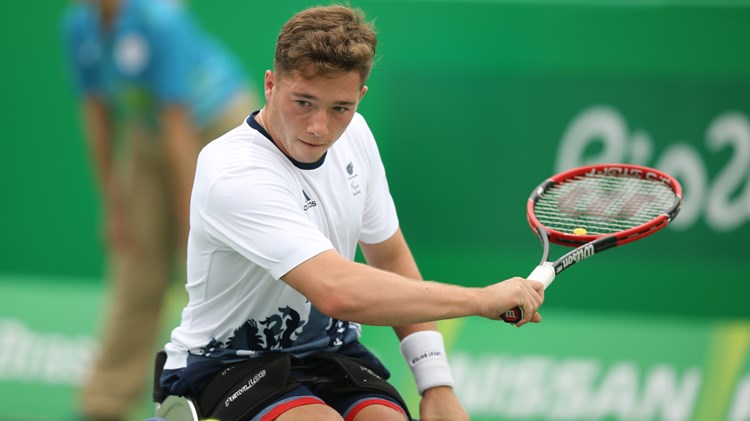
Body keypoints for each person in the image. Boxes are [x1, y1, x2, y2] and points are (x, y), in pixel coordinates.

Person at [159, 4, 545, 421]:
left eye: (339, 108)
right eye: (303, 102)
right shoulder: (233, 171)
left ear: (360, 97)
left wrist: (436, 385)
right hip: (228, 362)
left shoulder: (356, 136)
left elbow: (390, 257)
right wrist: (481, 300)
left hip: (330, 353)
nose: (318, 127)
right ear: (271, 85)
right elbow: (335, 290)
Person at [61, 0, 260, 419]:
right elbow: (95, 113)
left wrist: (194, 221)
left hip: (215, 132)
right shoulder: (78, 25)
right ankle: (104, 403)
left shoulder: (162, 19)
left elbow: (178, 125)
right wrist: (113, 203)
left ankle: (247, 391)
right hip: (150, 138)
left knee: (216, 267)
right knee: (135, 262)